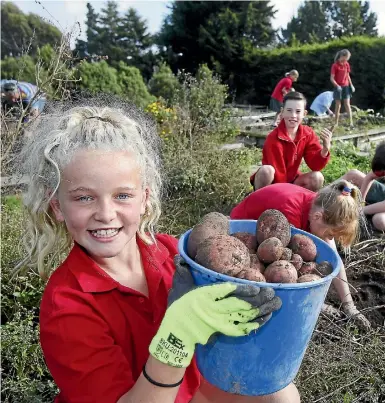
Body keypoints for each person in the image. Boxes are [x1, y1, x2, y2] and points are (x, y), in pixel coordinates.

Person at [17, 101, 298, 403]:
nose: (106, 213)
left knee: (280, 396)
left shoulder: (169, 251)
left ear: (144, 199)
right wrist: (177, 336)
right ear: (58, 206)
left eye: (122, 195)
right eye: (84, 198)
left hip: (185, 394)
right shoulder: (67, 306)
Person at [230, 180, 371, 330]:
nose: (330, 239)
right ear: (317, 217)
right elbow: (285, 272)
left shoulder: (325, 206)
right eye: (330, 234)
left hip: (270, 237)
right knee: (280, 271)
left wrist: (349, 306)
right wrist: (318, 305)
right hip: (244, 233)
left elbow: (334, 259)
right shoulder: (290, 214)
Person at [250, 91, 332, 192]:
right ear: (282, 112)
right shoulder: (274, 138)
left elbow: (315, 165)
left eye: (298, 111)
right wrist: (285, 196)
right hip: (272, 184)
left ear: (304, 114)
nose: (293, 115)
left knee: (317, 177)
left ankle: (300, 204)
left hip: (292, 180)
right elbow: (278, 173)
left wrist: (325, 149)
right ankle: (258, 201)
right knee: (266, 170)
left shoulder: (308, 134)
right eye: (289, 110)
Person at [330, 49, 355, 128]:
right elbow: (332, 78)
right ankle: (336, 123)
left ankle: (351, 123)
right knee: (338, 105)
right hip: (338, 87)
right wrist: (337, 86)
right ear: (342, 56)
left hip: (346, 86)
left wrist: (351, 85)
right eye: (347, 57)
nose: (347, 60)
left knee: (347, 104)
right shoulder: (335, 65)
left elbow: (347, 76)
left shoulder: (346, 64)